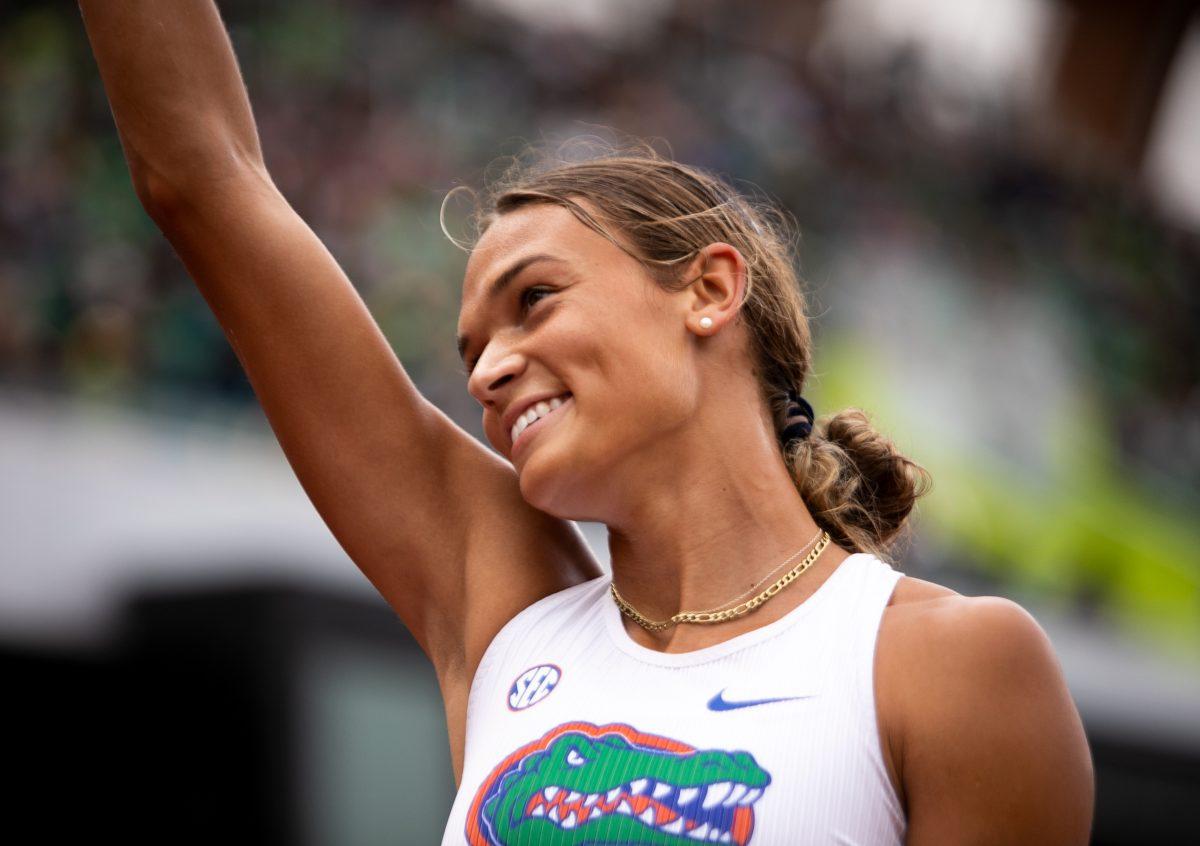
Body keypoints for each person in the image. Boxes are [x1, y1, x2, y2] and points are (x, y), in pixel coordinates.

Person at [79, 2, 1094, 843]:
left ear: (707, 290)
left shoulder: (950, 666)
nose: (489, 372)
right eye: (470, 352)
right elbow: (201, 179)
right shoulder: (506, 613)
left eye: (534, 301)